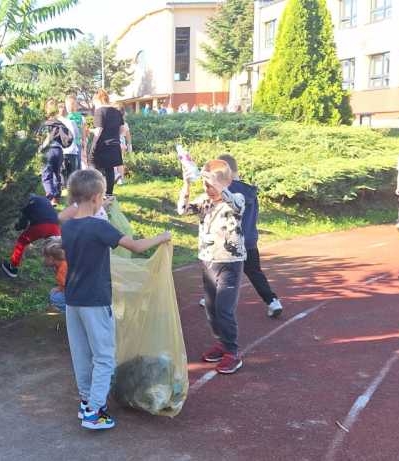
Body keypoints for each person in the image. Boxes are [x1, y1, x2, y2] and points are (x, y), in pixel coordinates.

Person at [59, 169, 172, 430]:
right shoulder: (100, 227)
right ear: (96, 197)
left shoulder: (69, 226)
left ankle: (86, 401)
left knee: (81, 354)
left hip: (73, 300)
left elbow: (64, 214)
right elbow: (135, 246)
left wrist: (89, 202)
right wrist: (162, 237)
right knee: (104, 357)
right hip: (96, 300)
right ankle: (94, 412)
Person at [178, 160, 247, 375]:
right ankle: (221, 342)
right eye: (205, 185)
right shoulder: (204, 201)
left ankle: (232, 352)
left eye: (211, 185)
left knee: (224, 309)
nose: (208, 189)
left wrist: (216, 184)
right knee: (210, 308)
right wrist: (187, 183)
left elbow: (235, 204)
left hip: (230, 263)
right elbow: (182, 210)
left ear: (226, 182)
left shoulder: (237, 199)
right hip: (208, 261)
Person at [210, 154, 284, 318]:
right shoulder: (250, 191)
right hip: (249, 238)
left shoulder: (225, 191)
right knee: (254, 272)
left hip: (230, 239)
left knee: (219, 268)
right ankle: (272, 301)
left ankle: (212, 297)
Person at [1, 194, 61, 278]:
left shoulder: (27, 203)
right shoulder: (42, 199)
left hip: (42, 225)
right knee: (56, 250)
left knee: (22, 241)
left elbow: (23, 223)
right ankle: (62, 270)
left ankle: (12, 267)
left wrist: (17, 227)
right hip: (56, 226)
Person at [90, 89, 127, 196]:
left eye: (95, 103)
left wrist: (92, 145)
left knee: (95, 169)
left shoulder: (100, 111)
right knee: (110, 169)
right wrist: (114, 136)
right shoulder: (117, 112)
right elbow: (123, 129)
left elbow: (99, 130)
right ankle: (109, 193)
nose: (94, 106)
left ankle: (96, 193)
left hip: (102, 145)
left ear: (99, 99)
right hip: (114, 145)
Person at [40, 99, 71, 206]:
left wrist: (40, 148)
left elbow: (41, 138)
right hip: (59, 150)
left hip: (48, 150)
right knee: (57, 173)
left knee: (46, 174)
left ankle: (51, 196)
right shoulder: (60, 124)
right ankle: (57, 197)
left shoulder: (45, 124)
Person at [59, 95, 85, 181]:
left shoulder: (72, 117)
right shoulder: (77, 117)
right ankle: (74, 180)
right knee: (74, 162)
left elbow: (82, 130)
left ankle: (74, 181)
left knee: (74, 163)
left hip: (73, 143)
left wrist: (83, 140)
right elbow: (83, 131)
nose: (69, 106)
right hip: (73, 143)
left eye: (71, 104)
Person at [42, 238, 68, 313]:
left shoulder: (62, 270)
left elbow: (68, 288)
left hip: (75, 297)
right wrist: (59, 288)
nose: (43, 260)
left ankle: (68, 310)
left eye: (45, 257)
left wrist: (59, 289)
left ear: (51, 258)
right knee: (54, 292)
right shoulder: (65, 262)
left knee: (54, 296)